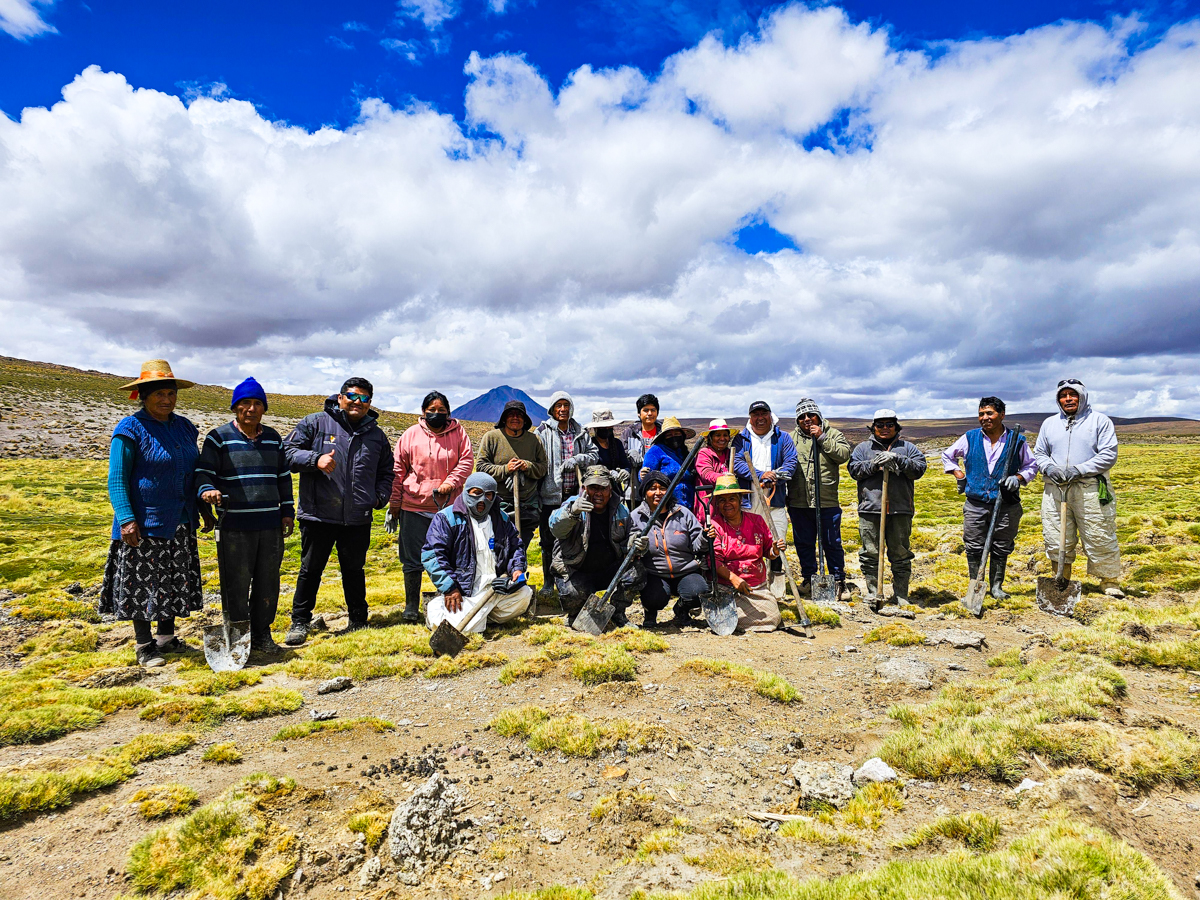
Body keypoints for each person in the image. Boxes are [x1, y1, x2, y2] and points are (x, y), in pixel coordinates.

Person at [100, 359, 204, 668]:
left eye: (171, 394)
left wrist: (203, 510)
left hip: (181, 519)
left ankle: (166, 639)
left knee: (172, 580)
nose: (167, 400)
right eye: (159, 394)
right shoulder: (130, 428)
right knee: (142, 584)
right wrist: (127, 519)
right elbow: (117, 478)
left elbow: (192, 472)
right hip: (143, 523)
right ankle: (144, 646)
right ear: (143, 396)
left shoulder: (185, 427)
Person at [282, 377, 395, 645]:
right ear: (340, 397)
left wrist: (379, 498)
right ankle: (300, 622)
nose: (358, 402)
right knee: (310, 570)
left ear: (370, 403)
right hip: (318, 514)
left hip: (357, 517)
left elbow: (386, 472)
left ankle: (358, 619)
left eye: (364, 398)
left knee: (354, 570)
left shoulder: (376, 436)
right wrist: (315, 459)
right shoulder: (315, 423)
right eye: (353, 396)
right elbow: (286, 453)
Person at [194, 377, 295, 654]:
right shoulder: (219, 437)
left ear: (264, 409)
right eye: (245, 403)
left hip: (270, 525)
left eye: (257, 404)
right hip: (234, 525)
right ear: (235, 407)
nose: (251, 409)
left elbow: (283, 477)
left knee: (268, 583)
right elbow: (204, 473)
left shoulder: (273, 438)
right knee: (235, 585)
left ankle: (263, 635)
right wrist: (207, 490)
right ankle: (238, 638)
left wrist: (287, 512)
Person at [385, 391, 475, 623]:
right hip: (414, 506)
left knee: (453, 556)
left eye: (441, 410)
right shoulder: (410, 435)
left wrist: (450, 482)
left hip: (449, 508)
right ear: (423, 412)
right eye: (431, 411)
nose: (436, 414)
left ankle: (453, 599)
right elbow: (397, 470)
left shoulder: (459, 433)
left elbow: (466, 461)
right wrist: (395, 502)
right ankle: (411, 606)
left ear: (448, 412)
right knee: (412, 559)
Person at [1033, 379, 1123, 597]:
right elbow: (1039, 452)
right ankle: (1061, 580)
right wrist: (1049, 468)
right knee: (1056, 535)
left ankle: (1109, 581)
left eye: (1072, 395)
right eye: (1063, 396)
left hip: (1089, 488)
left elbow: (1108, 454)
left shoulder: (1099, 421)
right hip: (1056, 489)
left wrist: (1080, 469)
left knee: (1099, 533)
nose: (1068, 399)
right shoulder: (1049, 424)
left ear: (1082, 396)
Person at [941, 396, 1038, 599]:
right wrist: (958, 473)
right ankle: (975, 585)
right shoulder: (970, 437)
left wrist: (1018, 478)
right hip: (976, 503)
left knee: (1001, 546)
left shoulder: (1017, 440)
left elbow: (1031, 465)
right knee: (974, 545)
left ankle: (996, 587)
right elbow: (947, 456)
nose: (984, 418)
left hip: (1006, 504)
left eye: (989, 413)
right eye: (981, 414)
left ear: (1001, 415)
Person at [421, 472, 532, 633]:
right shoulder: (446, 518)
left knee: (524, 594)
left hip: (496, 589)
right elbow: (432, 555)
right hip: (464, 590)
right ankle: (441, 609)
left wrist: (517, 569)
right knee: (460, 628)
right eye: (477, 493)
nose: (482, 500)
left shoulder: (500, 518)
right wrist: (450, 588)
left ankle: (480, 616)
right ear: (467, 492)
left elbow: (516, 546)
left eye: (488, 495)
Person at [847, 409, 928, 609]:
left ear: (896, 426)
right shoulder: (862, 448)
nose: (885, 428)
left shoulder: (908, 448)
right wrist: (874, 464)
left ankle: (901, 595)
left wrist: (898, 460)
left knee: (900, 554)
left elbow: (919, 469)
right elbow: (854, 470)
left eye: (889, 424)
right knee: (870, 553)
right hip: (870, 509)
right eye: (880, 425)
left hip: (900, 509)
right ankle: (874, 592)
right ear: (873, 427)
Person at [548, 465, 642, 628]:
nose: (598, 493)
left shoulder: (621, 509)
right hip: (576, 570)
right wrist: (572, 512)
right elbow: (555, 527)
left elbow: (631, 535)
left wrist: (637, 543)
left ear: (610, 489)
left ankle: (618, 613)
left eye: (603, 488)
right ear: (584, 488)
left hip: (608, 570)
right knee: (572, 595)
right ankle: (575, 615)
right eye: (593, 488)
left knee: (637, 571)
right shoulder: (571, 504)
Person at [534, 392, 599, 596]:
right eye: (558, 406)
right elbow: (536, 459)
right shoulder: (542, 432)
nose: (563, 409)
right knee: (548, 538)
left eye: (566, 405)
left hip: (575, 495)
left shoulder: (580, 431)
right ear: (552, 409)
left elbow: (594, 453)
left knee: (575, 537)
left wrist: (579, 459)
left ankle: (572, 580)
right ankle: (548, 582)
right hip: (550, 495)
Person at [787, 398, 851, 597]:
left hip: (827, 500)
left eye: (811, 415)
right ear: (797, 420)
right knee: (804, 543)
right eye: (801, 417)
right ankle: (809, 578)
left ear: (818, 416)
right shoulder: (791, 439)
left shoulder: (833, 434)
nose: (807, 419)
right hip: (799, 501)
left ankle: (839, 580)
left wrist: (822, 438)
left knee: (832, 542)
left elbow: (843, 455)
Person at [630, 470, 710, 628]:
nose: (658, 492)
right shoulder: (636, 517)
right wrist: (635, 545)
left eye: (662, 488)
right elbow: (629, 546)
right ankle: (650, 611)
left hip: (685, 570)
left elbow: (697, 546)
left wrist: (705, 538)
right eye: (652, 488)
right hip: (655, 574)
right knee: (654, 597)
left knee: (698, 592)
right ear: (644, 492)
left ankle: (682, 609)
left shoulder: (683, 514)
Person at [704, 474, 783, 632]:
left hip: (756, 587)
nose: (727, 504)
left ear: (740, 500)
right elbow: (714, 561)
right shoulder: (715, 526)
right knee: (727, 617)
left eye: (732, 499)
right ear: (717, 504)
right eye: (722, 500)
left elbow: (768, 551)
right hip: (727, 588)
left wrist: (775, 550)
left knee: (773, 617)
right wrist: (733, 578)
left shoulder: (757, 521)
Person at [733, 401, 798, 574]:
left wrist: (775, 476)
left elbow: (791, 462)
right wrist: (760, 474)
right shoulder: (741, 439)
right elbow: (737, 463)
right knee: (749, 541)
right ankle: (752, 580)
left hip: (775, 498)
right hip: (749, 500)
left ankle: (776, 585)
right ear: (750, 418)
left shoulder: (783, 438)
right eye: (756, 414)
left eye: (764, 414)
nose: (760, 418)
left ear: (770, 415)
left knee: (777, 539)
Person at [475, 400, 548, 550]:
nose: (515, 417)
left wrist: (527, 466)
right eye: (511, 414)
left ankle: (518, 572)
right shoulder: (491, 437)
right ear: (504, 418)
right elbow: (481, 468)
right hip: (497, 508)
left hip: (527, 508)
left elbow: (542, 469)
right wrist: (506, 469)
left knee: (520, 551)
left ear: (525, 419)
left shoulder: (534, 440)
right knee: (498, 552)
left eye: (519, 415)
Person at [641, 417, 698, 510]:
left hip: (689, 502)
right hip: (666, 504)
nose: (673, 437)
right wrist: (643, 475)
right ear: (664, 437)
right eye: (669, 435)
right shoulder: (656, 451)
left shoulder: (684, 452)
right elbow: (645, 476)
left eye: (676, 434)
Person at [694, 419, 738, 522]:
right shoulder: (704, 453)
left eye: (725, 435)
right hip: (709, 504)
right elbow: (706, 474)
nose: (722, 438)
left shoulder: (730, 454)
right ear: (710, 438)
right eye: (718, 435)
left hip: (727, 505)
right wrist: (726, 478)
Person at [585, 408, 633, 500]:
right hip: (596, 490)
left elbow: (625, 464)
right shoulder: (590, 446)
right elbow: (588, 469)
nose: (607, 430)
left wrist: (626, 471)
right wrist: (609, 473)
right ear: (596, 429)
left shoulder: (616, 444)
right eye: (603, 428)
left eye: (609, 427)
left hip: (614, 490)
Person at [621, 393, 662, 480]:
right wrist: (629, 454)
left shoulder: (663, 433)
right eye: (646, 410)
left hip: (659, 482)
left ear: (657, 412)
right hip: (634, 482)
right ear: (639, 413)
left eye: (653, 410)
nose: (650, 413)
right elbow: (621, 457)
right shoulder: (629, 433)